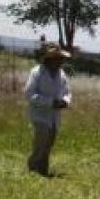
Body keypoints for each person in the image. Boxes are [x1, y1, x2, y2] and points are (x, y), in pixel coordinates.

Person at [23, 44, 72, 176]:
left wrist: (65, 101)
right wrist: (50, 102)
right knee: (40, 142)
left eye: (62, 58)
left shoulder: (61, 74)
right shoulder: (36, 72)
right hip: (39, 115)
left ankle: (43, 170)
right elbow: (29, 94)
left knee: (49, 143)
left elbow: (67, 92)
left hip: (55, 116)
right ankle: (33, 169)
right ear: (50, 59)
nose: (61, 61)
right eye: (58, 58)